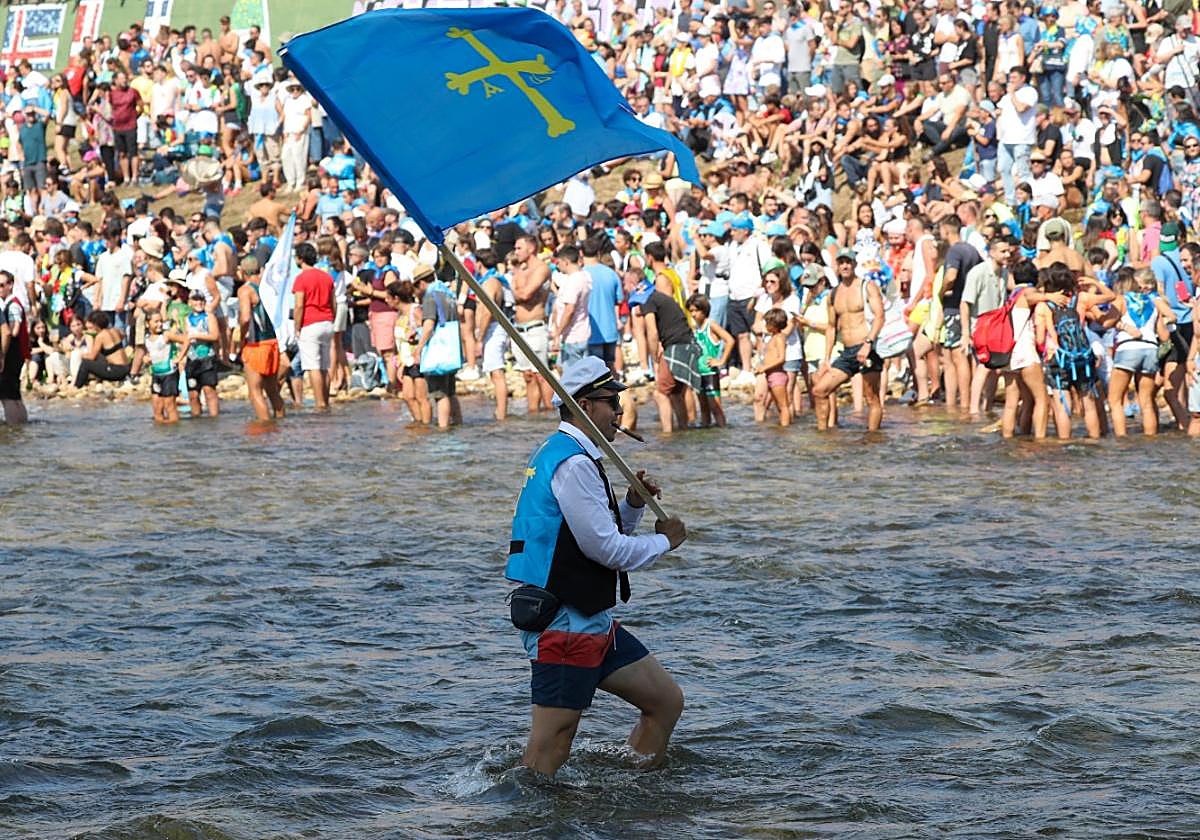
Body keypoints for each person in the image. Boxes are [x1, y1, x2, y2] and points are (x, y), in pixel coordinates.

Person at [505, 355, 687, 777]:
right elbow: (605, 550)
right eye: (612, 403)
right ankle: (526, 817)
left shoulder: (574, 456)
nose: (620, 413)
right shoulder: (573, 463)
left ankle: (632, 791)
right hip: (566, 622)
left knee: (665, 702)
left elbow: (592, 533)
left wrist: (633, 504)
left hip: (591, 619)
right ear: (586, 406)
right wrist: (665, 542)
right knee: (551, 746)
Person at [812, 252, 885, 431]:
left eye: (848, 262)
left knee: (871, 398)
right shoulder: (833, 294)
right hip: (847, 351)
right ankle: (823, 437)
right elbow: (831, 327)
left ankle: (872, 439)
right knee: (820, 390)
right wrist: (827, 359)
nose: (845, 266)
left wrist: (868, 343)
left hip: (867, 347)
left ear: (854, 264)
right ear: (837, 266)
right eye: (841, 263)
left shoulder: (867, 286)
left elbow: (880, 316)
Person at [237, 254, 285, 421]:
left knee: (255, 391)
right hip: (273, 342)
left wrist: (240, 338)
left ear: (242, 272)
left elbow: (245, 318)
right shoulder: (269, 287)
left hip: (256, 345)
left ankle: (265, 427)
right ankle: (281, 421)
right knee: (272, 390)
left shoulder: (245, 290)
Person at [292, 241, 335, 410]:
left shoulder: (301, 278)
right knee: (324, 366)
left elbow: (299, 305)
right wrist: (331, 318)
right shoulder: (326, 276)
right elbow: (333, 303)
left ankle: (320, 403)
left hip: (310, 323)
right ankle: (325, 400)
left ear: (300, 259)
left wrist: (297, 326)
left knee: (313, 367)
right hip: (327, 321)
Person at [687, 293, 734, 427]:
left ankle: (722, 430)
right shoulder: (695, 329)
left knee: (715, 407)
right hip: (698, 373)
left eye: (696, 310)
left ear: (704, 310)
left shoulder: (711, 325)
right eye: (691, 311)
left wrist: (721, 360)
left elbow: (730, 340)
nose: (694, 314)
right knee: (703, 408)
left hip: (710, 373)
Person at [143, 309, 186, 424]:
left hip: (169, 374)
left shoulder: (166, 335)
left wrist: (179, 357)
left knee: (169, 405)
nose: (159, 324)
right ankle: (160, 433)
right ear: (148, 324)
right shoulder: (146, 339)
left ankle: (174, 430)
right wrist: (145, 359)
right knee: (157, 406)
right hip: (156, 374)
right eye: (156, 322)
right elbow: (149, 353)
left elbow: (186, 340)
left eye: (161, 321)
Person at [184, 290, 220, 417]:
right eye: (195, 300)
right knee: (193, 394)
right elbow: (186, 339)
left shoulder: (209, 317)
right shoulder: (187, 319)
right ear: (190, 302)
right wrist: (181, 357)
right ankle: (196, 419)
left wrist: (198, 336)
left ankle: (214, 418)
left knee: (209, 390)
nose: (198, 303)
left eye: (201, 300)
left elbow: (215, 336)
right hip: (192, 358)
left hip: (207, 358)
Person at [0, 270, 29, 424]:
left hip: (11, 354)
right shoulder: (11, 303)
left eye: (2, 285)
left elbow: (14, 331)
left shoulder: (13, 305)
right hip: (17, 353)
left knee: (6, 395)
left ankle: (13, 428)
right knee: (14, 394)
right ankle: (21, 425)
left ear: (10, 285)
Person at [754, 308, 791, 426]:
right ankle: (780, 426)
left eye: (767, 323)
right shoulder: (773, 337)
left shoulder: (780, 337)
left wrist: (764, 367)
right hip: (771, 375)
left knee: (783, 406)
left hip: (777, 375)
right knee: (776, 405)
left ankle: (785, 428)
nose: (765, 326)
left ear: (774, 324)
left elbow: (781, 358)